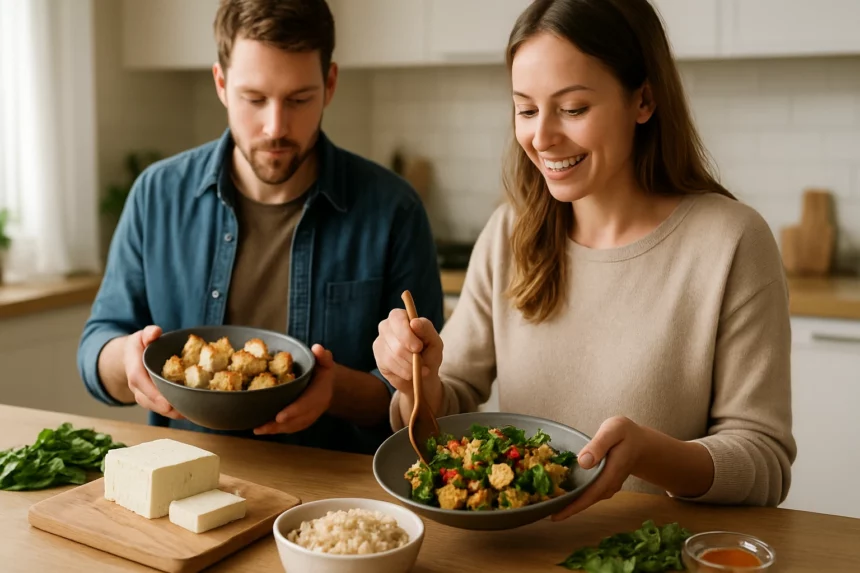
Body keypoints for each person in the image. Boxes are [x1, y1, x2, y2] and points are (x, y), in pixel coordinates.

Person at [373, 0, 796, 517]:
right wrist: (416, 378)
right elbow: (448, 400)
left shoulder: (732, 241)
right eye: (525, 109)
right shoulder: (510, 232)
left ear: (643, 100)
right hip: (520, 554)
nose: (542, 137)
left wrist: (652, 456)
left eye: (572, 109)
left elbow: (764, 461)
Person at [78, 0, 444, 455]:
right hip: (183, 486)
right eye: (254, 99)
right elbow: (98, 343)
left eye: (298, 99)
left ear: (329, 84)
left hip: (333, 507)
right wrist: (127, 361)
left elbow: (420, 396)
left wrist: (335, 391)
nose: (276, 126)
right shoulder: (157, 194)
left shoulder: (393, 209)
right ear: (221, 83)